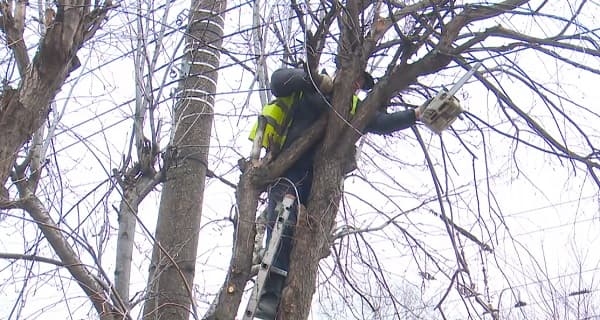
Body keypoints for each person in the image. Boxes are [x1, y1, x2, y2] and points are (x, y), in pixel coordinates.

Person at [250, 67, 419, 319]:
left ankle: (284, 297)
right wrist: (315, 79)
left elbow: (381, 123)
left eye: (361, 83)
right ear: (342, 72)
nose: (357, 84)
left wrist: (415, 114)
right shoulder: (311, 86)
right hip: (288, 168)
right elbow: (278, 81)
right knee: (280, 232)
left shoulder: (353, 107)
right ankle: (267, 303)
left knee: (303, 239)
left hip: (317, 182)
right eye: (355, 77)